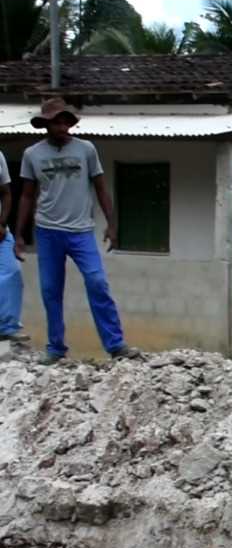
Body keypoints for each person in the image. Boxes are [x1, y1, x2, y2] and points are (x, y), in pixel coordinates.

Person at [15, 98, 138, 364]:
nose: (61, 127)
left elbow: (101, 187)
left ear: (70, 123)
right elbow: (26, 196)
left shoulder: (86, 149)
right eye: (55, 122)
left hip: (81, 231)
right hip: (47, 231)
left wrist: (112, 225)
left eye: (65, 122)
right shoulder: (32, 155)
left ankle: (116, 345)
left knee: (97, 283)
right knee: (50, 290)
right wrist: (19, 234)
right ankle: (56, 348)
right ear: (46, 125)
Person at [0, 151, 27, 343]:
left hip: (0, 232)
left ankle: (7, 328)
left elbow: (6, 193)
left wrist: (1, 223)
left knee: (12, 272)